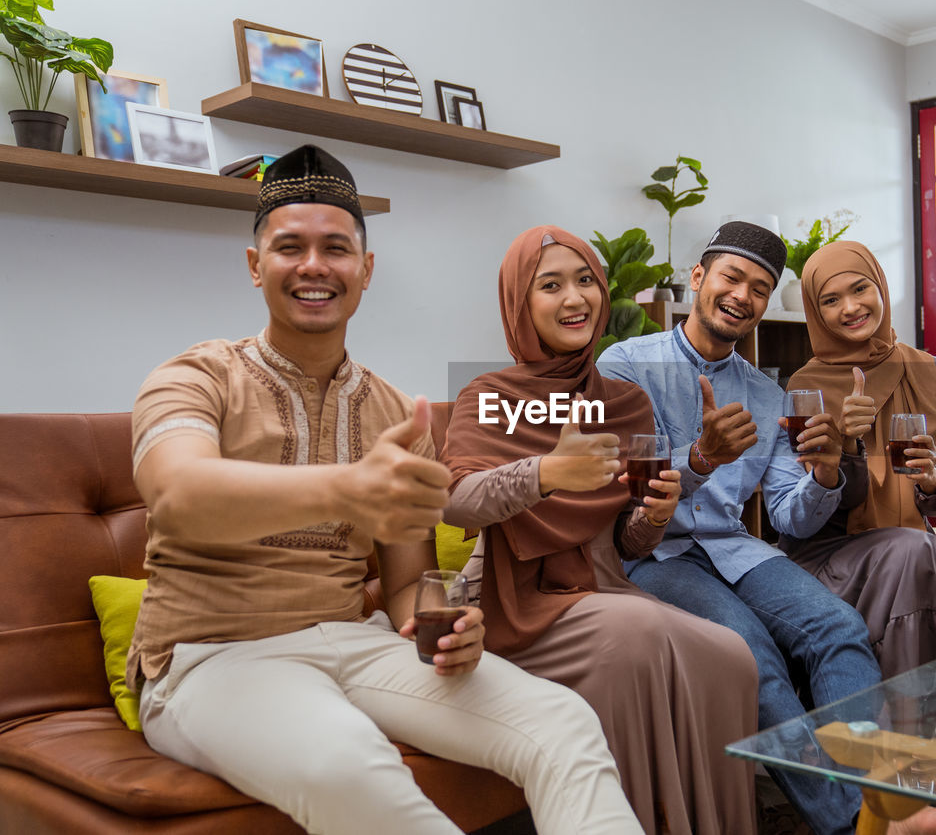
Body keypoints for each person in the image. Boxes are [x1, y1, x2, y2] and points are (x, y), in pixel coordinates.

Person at [126, 145, 641, 835]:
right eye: (290, 247)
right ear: (256, 266)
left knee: (561, 721)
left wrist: (444, 623)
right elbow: (178, 491)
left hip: (357, 640)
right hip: (209, 654)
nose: (314, 265)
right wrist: (346, 487)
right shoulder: (194, 376)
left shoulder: (399, 413)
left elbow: (404, 587)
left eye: (336, 247)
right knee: (348, 760)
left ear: (365, 271)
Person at [598, 222, 936, 835]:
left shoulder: (765, 391)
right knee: (750, 656)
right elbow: (619, 486)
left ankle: (881, 803)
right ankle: (861, 823)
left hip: (735, 547)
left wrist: (827, 473)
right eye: (732, 278)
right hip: (654, 555)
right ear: (699, 279)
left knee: (839, 627)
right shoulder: (625, 363)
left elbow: (788, 514)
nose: (743, 296)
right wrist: (699, 459)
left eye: (759, 288)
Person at [442, 225, 758, 834]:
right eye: (550, 285)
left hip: (602, 592)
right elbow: (458, 501)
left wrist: (655, 516)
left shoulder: (624, 403)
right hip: (514, 605)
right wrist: (547, 471)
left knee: (734, 657)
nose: (574, 298)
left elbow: (624, 542)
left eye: (586, 280)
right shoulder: (487, 396)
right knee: (633, 635)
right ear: (519, 303)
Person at [782, 241, 936, 678]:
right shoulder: (805, 386)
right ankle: (901, 716)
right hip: (831, 547)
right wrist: (848, 442)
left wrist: (929, 480)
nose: (850, 307)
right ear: (816, 310)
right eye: (830, 300)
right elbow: (816, 507)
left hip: (910, 534)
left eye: (860, 289)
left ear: (881, 288)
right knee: (908, 551)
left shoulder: (933, 371)